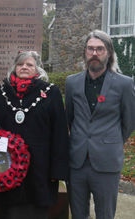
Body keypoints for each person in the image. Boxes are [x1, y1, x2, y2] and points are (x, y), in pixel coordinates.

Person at [0, 51, 69, 219]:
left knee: (36, 212)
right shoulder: (1, 92)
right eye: (20, 64)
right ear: (14, 67)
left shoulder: (51, 92)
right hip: (8, 166)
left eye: (29, 64)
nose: (24, 67)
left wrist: (57, 170)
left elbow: (60, 133)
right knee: (9, 212)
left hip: (41, 168)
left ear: (37, 69)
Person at [65, 29, 135, 219]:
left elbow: (129, 122)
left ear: (109, 53)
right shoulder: (72, 83)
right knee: (78, 214)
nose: (94, 53)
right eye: (90, 49)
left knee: (105, 214)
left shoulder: (124, 84)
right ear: (85, 52)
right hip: (77, 162)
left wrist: (110, 141)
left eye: (100, 49)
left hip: (106, 162)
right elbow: (69, 118)